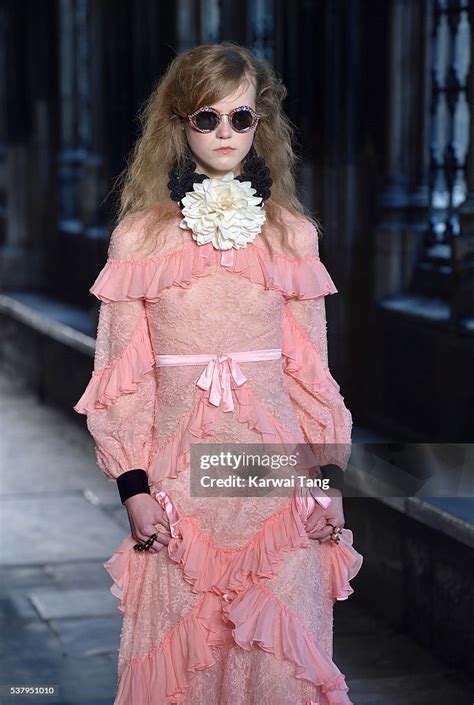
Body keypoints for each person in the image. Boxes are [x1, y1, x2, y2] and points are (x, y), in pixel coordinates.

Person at [73, 41, 363, 705]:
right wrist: (134, 488)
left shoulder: (291, 236)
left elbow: (312, 373)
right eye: (208, 118)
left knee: (279, 669)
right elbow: (124, 377)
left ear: (260, 124)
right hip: (181, 492)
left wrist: (328, 482)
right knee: (185, 670)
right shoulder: (139, 240)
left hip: (277, 486)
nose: (225, 133)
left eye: (240, 117)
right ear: (181, 124)